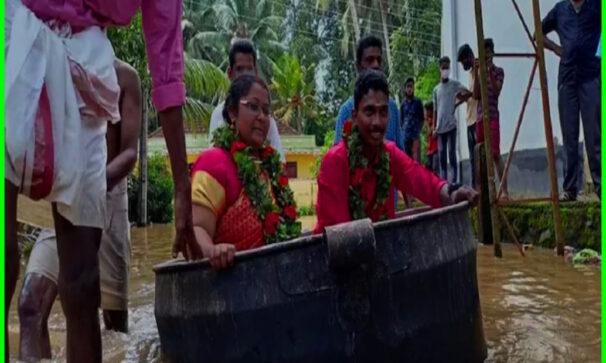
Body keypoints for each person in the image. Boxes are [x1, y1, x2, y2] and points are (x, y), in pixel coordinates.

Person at [5, 1, 199, 361]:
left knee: (82, 283)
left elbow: (166, 62)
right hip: (13, 27)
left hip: (85, 71)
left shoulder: (125, 79)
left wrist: (181, 188)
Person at [17, 59, 140, 361]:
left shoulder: (126, 77)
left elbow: (129, 153)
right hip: (63, 197)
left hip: (108, 200)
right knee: (30, 306)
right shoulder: (51, 60)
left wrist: (94, 182)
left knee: (114, 326)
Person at [314, 71, 478, 233]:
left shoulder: (388, 154)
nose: (377, 122)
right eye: (369, 112)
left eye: (383, 112)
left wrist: (452, 193)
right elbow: (340, 239)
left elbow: (421, 180)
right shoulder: (335, 161)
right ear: (355, 116)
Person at [191, 75, 301, 270]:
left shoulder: (270, 167)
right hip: (230, 286)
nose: (262, 116)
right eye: (253, 106)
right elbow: (196, 228)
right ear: (233, 112)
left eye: (267, 111)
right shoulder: (214, 163)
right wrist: (212, 251)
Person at [542, 0, 601, 201]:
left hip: (591, 77)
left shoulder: (596, 6)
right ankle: (570, 189)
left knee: (594, 134)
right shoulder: (560, 10)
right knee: (569, 136)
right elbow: (538, 33)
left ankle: (600, 185)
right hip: (567, 80)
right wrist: (556, 48)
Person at [208, 39, 285, 161]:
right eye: (240, 69)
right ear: (230, 73)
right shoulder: (219, 114)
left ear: (256, 73)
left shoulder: (266, 119)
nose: (245, 75)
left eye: (249, 69)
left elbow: (280, 166)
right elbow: (213, 160)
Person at [333, 35, 403, 150]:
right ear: (358, 66)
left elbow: (401, 153)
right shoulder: (346, 111)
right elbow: (338, 158)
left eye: (379, 60)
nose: (376, 65)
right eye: (370, 60)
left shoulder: (393, 108)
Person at [473, 39, 509, 199]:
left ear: (492, 53)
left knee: (495, 154)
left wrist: (488, 72)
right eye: (483, 52)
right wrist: (477, 74)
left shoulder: (498, 71)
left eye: (488, 52)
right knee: (481, 154)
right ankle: (485, 191)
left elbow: (497, 91)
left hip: (493, 115)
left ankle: (504, 191)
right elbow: (476, 95)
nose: (486, 55)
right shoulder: (479, 71)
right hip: (480, 116)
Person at [432, 56, 472, 183]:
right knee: (442, 155)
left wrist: (457, 102)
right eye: (443, 68)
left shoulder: (454, 84)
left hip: (451, 126)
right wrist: (434, 127)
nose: (445, 70)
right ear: (440, 69)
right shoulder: (436, 89)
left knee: (451, 153)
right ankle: (443, 182)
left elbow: (468, 93)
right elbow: (435, 110)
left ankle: (454, 181)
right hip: (440, 127)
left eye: (447, 68)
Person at [457, 44, 479, 188]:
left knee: (478, 158)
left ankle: (481, 188)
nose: (462, 65)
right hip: (470, 121)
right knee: (472, 159)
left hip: (478, 120)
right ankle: (474, 188)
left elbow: (477, 94)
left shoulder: (478, 71)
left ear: (468, 57)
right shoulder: (471, 73)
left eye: (463, 61)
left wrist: (468, 94)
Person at [401, 77, 424, 161]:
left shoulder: (418, 102)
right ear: (405, 88)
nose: (409, 89)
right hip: (406, 137)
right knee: (407, 161)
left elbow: (422, 118)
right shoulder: (403, 104)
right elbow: (401, 121)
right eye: (408, 86)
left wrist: (417, 130)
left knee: (416, 161)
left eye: (411, 86)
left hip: (415, 137)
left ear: (413, 88)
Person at [424, 101, 439, 174]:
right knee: (428, 169)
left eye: (427, 110)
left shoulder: (435, 120)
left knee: (435, 169)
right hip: (429, 150)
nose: (426, 112)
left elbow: (431, 132)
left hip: (435, 149)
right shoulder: (427, 121)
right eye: (425, 110)